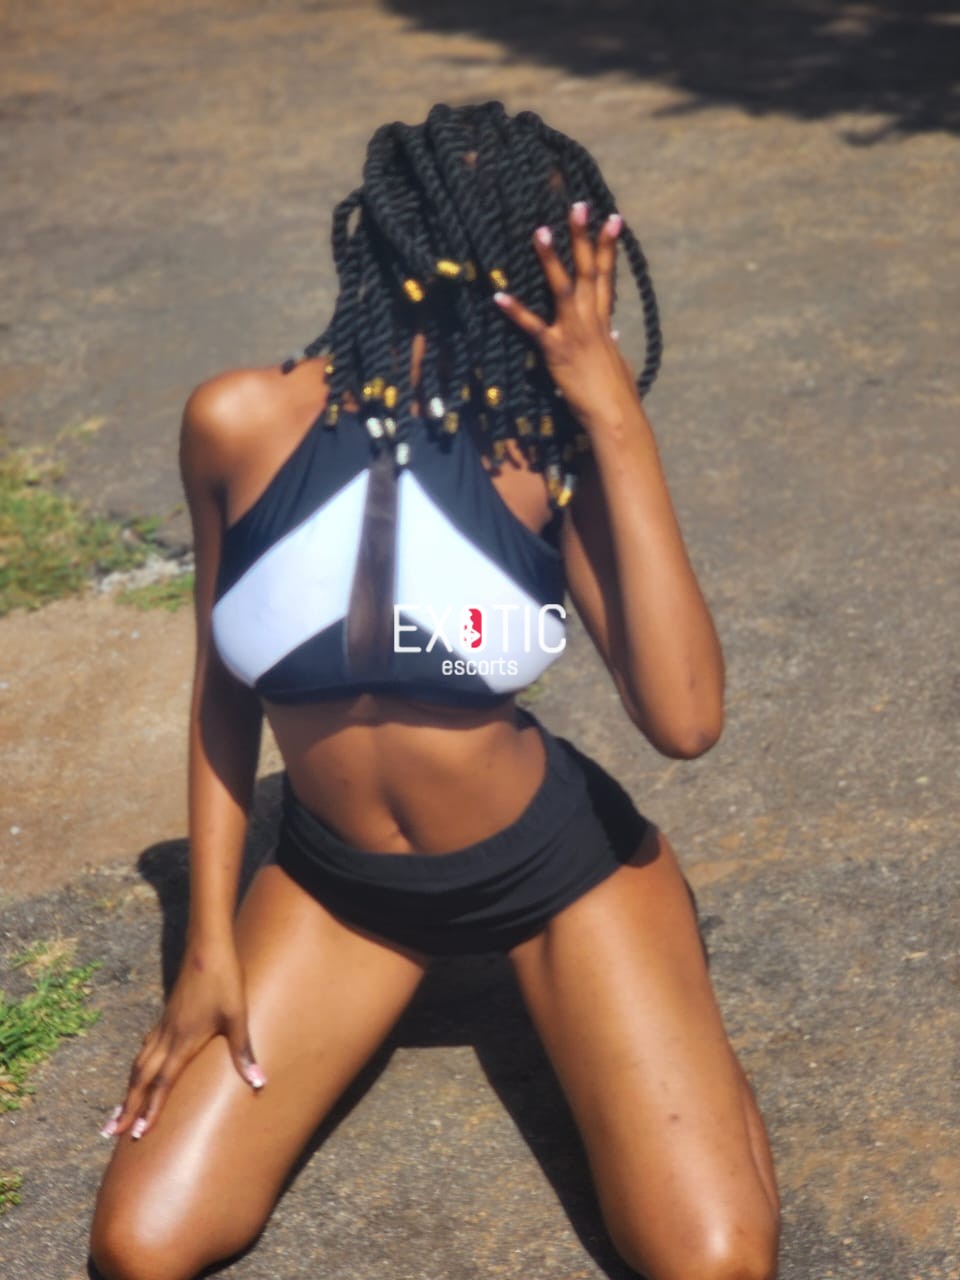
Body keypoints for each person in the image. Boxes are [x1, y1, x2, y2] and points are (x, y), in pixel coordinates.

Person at [88, 101, 780, 1280]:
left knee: (710, 1261)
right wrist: (208, 943)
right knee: (142, 1245)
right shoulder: (236, 420)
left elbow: (686, 718)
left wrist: (612, 408)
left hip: (557, 874)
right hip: (342, 888)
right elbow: (224, 693)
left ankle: (675, 1036)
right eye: (555, 258)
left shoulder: (542, 447)